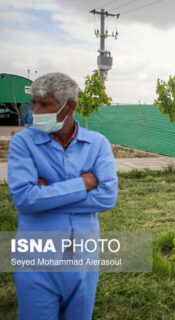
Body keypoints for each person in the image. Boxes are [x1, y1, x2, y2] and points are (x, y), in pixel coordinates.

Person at [7, 72, 118, 319]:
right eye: (34, 103)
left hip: (83, 261)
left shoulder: (98, 144)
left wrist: (46, 193)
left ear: (70, 106)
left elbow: (107, 198)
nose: (36, 111)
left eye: (45, 104)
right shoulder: (22, 143)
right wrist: (82, 184)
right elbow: (25, 199)